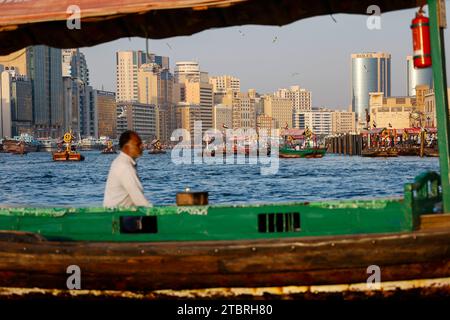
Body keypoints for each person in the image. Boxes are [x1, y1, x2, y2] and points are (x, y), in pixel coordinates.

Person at [103, 130, 152, 207]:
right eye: (138, 144)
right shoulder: (124, 166)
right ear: (126, 147)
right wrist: (157, 216)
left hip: (122, 214)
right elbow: (139, 200)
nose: (141, 146)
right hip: (118, 216)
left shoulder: (122, 162)